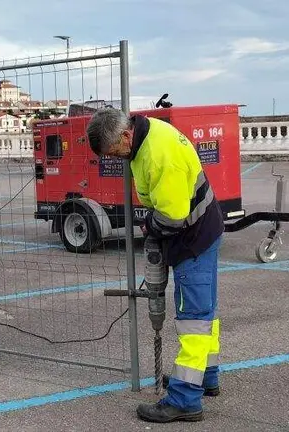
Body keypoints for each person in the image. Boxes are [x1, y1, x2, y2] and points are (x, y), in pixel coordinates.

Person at [86, 108, 224, 423]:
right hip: (201, 230)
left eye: (114, 152)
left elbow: (173, 218)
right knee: (204, 312)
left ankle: (185, 399)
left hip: (193, 239)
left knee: (194, 319)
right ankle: (205, 377)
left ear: (125, 135)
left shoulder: (160, 155)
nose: (116, 158)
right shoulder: (144, 137)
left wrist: (149, 227)